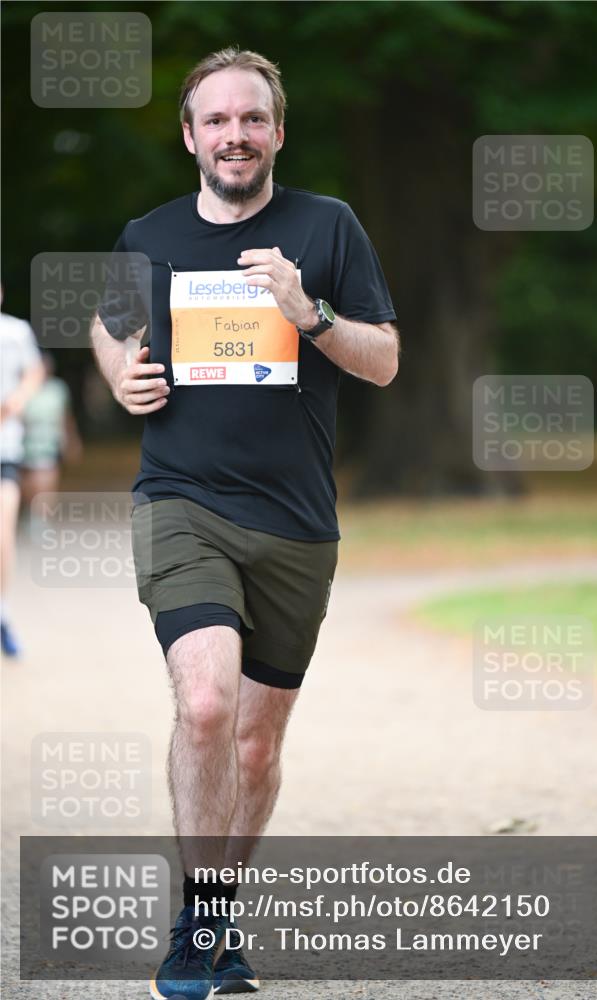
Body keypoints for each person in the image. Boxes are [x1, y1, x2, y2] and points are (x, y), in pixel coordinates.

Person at [91, 47, 398, 1000]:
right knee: (208, 705)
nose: (234, 135)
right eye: (216, 120)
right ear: (190, 136)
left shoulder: (327, 226)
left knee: (258, 747)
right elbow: (107, 324)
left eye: (251, 119)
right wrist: (116, 371)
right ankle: (195, 925)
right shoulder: (149, 234)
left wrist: (307, 313)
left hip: (298, 524)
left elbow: (384, 359)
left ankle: (220, 917)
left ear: (275, 131)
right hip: (181, 500)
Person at [0, 297, 45, 657]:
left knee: (3, 537)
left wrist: (18, 399)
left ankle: (2, 613)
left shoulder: (15, 331)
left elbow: (35, 371)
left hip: (4, 451)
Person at [21, 350, 83, 510]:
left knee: (47, 478)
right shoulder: (23, 387)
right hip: (26, 442)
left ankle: (42, 516)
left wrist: (72, 440)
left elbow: (66, 417)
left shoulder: (58, 388)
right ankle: (30, 510)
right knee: (28, 481)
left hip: (50, 441)